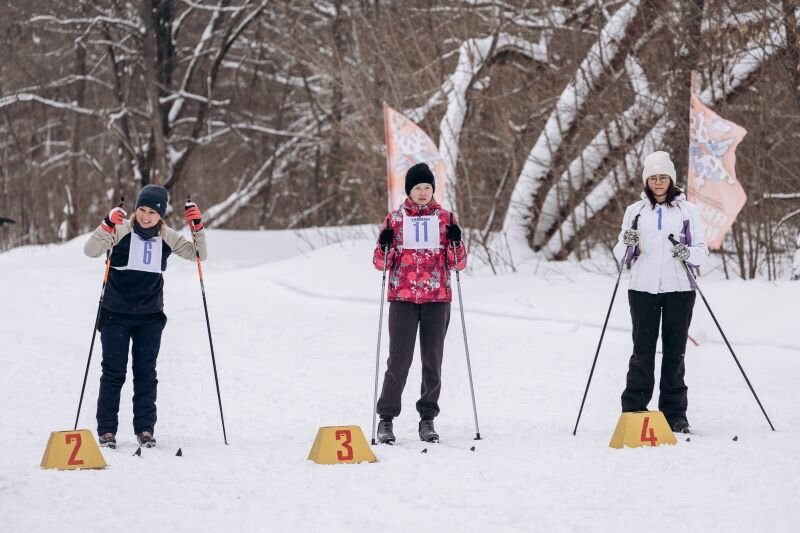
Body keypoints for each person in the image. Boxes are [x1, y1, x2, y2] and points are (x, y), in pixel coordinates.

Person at [84, 185, 207, 448]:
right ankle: (107, 431)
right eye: (141, 209)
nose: (146, 216)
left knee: (146, 374)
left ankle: (145, 429)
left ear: (161, 214)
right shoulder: (120, 230)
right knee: (113, 373)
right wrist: (106, 224)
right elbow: (91, 250)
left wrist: (197, 227)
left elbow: (198, 254)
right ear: (135, 209)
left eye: (152, 211)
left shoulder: (167, 235)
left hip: (150, 318)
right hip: (115, 315)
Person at [613, 151, 709, 434]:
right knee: (642, 351)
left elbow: (702, 253)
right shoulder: (636, 211)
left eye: (663, 177)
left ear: (671, 180)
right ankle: (634, 410)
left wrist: (686, 252)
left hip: (679, 289)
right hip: (642, 289)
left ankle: (674, 415)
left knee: (674, 352)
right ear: (646, 180)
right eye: (653, 177)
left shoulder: (687, 211)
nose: (658, 182)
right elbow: (621, 255)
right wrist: (627, 243)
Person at [373, 162, 467, 444]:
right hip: (403, 297)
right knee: (399, 361)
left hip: (437, 299)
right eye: (418, 188)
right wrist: (384, 244)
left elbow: (458, 263)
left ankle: (427, 418)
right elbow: (381, 263)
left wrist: (456, 241)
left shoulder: (446, 219)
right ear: (409, 191)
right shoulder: (395, 219)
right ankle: (386, 419)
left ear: (433, 190)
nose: (423, 192)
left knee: (432, 361)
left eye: (427, 187)